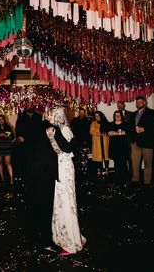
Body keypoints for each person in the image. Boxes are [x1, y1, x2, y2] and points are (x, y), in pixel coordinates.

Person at [24, 108, 74, 252]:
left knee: (32, 206)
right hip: (45, 174)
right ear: (50, 116)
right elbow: (68, 147)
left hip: (32, 173)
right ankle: (45, 242)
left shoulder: (34, 126)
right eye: (53, 114)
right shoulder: (51, 128)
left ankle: (30, 240)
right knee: (45, 209)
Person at [46, 107, 86, 255]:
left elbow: (67, 149)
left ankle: (71, 243)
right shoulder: (57, 130)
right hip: (59, 166)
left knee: (67, 201)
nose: (49, 118)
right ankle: (61, 237)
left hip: (65, 168)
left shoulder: (65, 130)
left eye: (51, 116)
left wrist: (52, 138)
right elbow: (58, 150)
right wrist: (51, 138)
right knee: (60, 200)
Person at [129, 95, 154, 185]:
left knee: (148, 163)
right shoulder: (133, 114)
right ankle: (135, 179)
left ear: (145, 102)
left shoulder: (153, 113)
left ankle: (147, 181)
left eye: (140, 102)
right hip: (135, 142)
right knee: (135, 163)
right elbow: (130, 127)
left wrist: (145, 129)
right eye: (137, 102)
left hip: (147, 142)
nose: (138, 103)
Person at [15, 101, 42, 178]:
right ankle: (26, 177)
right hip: (25, 143)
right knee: (25, 161)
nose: (30, 107)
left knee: (36, 161)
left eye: (31, 105)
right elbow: (17, 129)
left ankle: (36, 177)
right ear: (26, 107)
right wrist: (18, 137)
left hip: (36, 143)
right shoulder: (21, 117)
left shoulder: (38, 117)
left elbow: (42, 129)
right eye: (28, 105)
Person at [108, 110, 129, 181]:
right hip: (114, 147)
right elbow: (109, 133)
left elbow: (126, 133)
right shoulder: (110, 124)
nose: (117, 116)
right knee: (116, 163)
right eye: (116, 115)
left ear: (121, 116)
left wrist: (115, 133)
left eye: (119, 115)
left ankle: (125, 179)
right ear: (114, 116)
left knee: (123, 163)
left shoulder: (125, 124)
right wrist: (119, 133)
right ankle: (117, 179)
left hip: (124, 146)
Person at [0, 115, 14, 186]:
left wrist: (6, 136)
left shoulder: (8, 127)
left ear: (4, 120)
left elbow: (12, 138)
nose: (1, 120)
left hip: (7, 146)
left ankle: (11, 179)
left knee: (8, 163)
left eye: (2, 119)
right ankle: (2, 178)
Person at [70, 107, 92, 172]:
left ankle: (87, 170)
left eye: (83, 112)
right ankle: (80, 171)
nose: (82, 114)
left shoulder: (88, 120)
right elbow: (72, 129)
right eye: (81, 112)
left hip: (86, 141)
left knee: (87, 157)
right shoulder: (75, 120)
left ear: (85, 113)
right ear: (79, 113)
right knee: (79, 157)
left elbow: (89, 131)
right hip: (78, 142)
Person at [90, 111, 109, 177]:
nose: (97, 117)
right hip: (97, 142)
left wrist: (105, 133)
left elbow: (108, 131)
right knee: (98, 157)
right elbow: (91, 132)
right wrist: (99, 133)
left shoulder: (105, 122)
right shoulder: (93, 123)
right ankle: (99, 170)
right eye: (96, 116)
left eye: (98, 115)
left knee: (106, 156)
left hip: (104, 141)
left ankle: (107, 170)